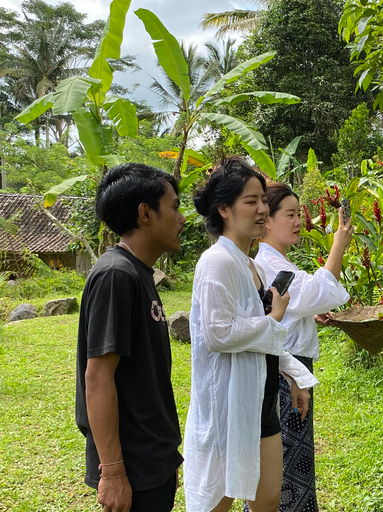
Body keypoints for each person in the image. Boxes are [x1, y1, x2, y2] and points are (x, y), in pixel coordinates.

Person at [184, 157, 319, 512]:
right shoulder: (217, 262)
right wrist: (274, 317)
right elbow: (218, 333)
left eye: (262, 200)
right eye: (251, 201)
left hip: (260, 400)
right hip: (230, 405)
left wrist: (294, 375)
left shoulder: (250, 264)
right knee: (217, 501)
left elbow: (262, 335)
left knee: (268, 499)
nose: (262, 209)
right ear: (224, 208)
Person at [75, 163, 186, 512]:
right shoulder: (116, 275)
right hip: (132, 467)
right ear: (145, 213)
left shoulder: (138, 272)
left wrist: (165, 461)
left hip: (151, 461)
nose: (181, 218)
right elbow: (97, 377)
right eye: (174, 206)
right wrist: (113, 473)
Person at [252, 182, 353, 512]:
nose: (298, 222)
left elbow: (297, 305)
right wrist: (339, 245)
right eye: (290, 214)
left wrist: (309, 315)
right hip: (286, 371)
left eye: (299, 214)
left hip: (291, 367)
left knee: (290, 458)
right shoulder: (271, 264)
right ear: (267, 220)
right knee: (288, 461)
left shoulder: (274, 261)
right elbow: (315, 292)